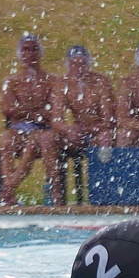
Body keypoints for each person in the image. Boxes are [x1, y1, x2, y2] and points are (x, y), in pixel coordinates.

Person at [48, 45, 116, 205]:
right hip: (77, 135)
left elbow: (109, 120)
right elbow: (56, 120)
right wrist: (69, 129)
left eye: (82, 64)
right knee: (49, 139)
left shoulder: (101, 82)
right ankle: (57, 196)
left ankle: (102, 194)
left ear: (88, 64)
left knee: (105, 138)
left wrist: (86, 130)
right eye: (74, 64)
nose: (79, 68)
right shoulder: (62, 84)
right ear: (68, 66)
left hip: (98, 132)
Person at [0, 34, 59, 205]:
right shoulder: (12, 81)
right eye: (26, 49)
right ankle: (10, 197)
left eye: (34, 49)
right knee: (6, 141)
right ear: (20, 53)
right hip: (17, 130)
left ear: (40, 53)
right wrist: (36, 111)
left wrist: (23, 111)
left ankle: (7, 189)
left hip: (42, 131)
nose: (30, 53)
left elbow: (54, 111)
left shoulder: (52, 81)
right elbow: (7, 109)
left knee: (33, 142)